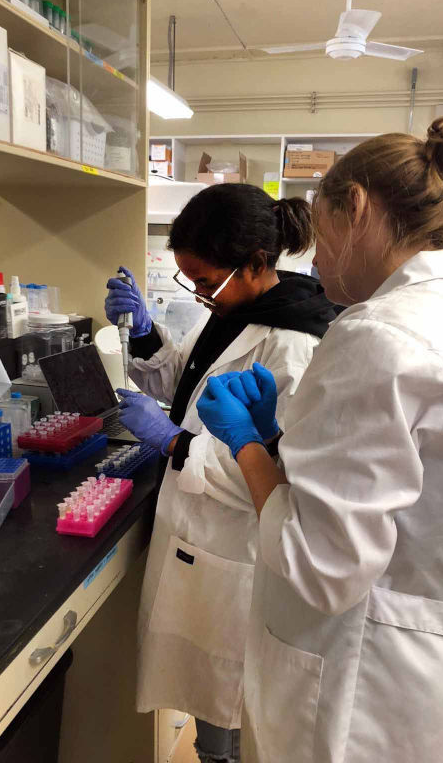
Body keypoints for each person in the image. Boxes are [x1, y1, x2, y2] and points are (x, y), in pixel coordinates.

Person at [196, 117, 443, 763]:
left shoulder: (378, 334)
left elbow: (319, 564)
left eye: (322, 231)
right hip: (424, 671)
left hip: (359, 689)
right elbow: (399, 493)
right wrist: (281, 440)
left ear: (356, 207)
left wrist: (246, 445)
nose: (314, 257)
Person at [104, 183, 336, 763]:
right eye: (190, 280)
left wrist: (172, 442)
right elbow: (186, 380)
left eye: (206, 281)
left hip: (239, 544)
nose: (199, 293)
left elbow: (274, 477)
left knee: (229, 700)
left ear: (258, 263)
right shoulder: (239, 309)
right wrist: (141, 332)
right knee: (213, 695)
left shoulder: (293, 343)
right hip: (199, 535)